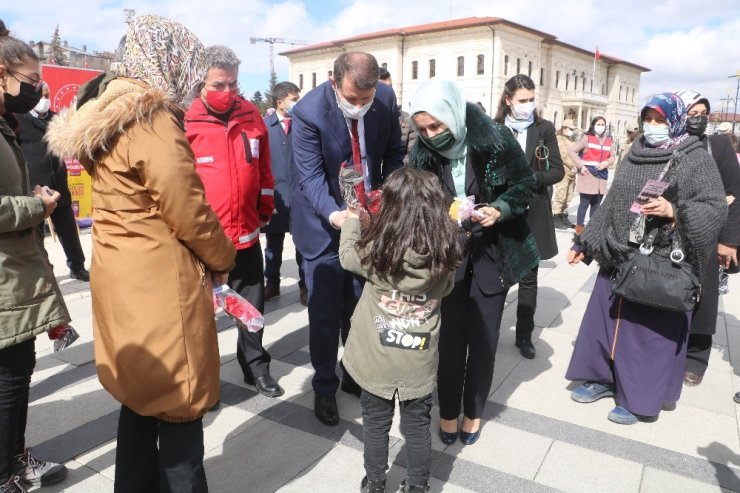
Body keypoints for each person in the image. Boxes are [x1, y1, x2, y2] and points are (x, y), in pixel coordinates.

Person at [46, 15, 236, 491]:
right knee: (178, 402)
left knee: (139, 397)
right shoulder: (149, 118)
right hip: (159, 283)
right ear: (168, 60)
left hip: (121, 271)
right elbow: (186, 207)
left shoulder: (106, 114)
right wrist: (223, 256)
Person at [566, 93, 727, 425]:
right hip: (616, 258)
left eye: (661, 120)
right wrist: (585, 242)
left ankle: (636, 396)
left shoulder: (694, 157)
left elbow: (714, 207)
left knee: (644, 336)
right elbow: (611, 203)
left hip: (658, 263)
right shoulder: (636, 151)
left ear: (676, 121)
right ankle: (600, 378)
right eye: (648, 119)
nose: (652, 127)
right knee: (605, 324)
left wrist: (673, 211)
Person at [408, 79, 539, 445]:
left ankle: (474, 412)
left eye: (437, 125)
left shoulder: (494, 139)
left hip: (492, 256)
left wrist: (499, 210)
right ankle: (448, 412)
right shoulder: (423, 154)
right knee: (448, 344)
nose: (433, 135)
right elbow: (418, 204)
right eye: (424, 129)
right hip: (448, 261)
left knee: (483, 343)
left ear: (453, 113)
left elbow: (525, 185)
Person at [291, 51, 404, 426]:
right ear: (333, 80)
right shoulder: (308, 113)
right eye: (352, 99)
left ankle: (354, 371)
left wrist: (386, 199)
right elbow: (309, 178)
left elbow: (392, 154)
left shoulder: (385, 99)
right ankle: (324, 386)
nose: (359, 106)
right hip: (324, 223)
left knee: (359, 306)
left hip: (368, 221)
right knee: (324, 312)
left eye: (365, 100)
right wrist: (337, 215)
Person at [339, 167, 459, 493]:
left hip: (374, 358)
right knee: (418, 427)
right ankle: (418, 485)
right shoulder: (444, 256)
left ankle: (376, 482)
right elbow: (446, 290)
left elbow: (348, 256)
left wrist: (352, 220)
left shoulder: (378, 252)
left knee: (376, 425)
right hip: (417, 361)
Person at [185, 45, 284, 398]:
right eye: (219, 85)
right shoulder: (185, 121)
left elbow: (265, 168)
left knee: (251, 308)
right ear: (200, 85)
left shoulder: (251, 116)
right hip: (203, 242)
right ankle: (204, 382)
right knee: (199, 318)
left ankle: (256, 367)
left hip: (247, 234)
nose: (228, 93)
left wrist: (265, 205)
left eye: (233, 85)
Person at [0, 20, 70, 493]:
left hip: (14, 272)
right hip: (5, 276)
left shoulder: (7, 123)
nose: (35, 90)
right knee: (10, 376)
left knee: (15, 372)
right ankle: (7, 474)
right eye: (29, 80)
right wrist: (35, 206)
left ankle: (14, 460)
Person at [494, 74, 564, 359]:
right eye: (523, 100)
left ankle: (524, 335)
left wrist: (530, 177)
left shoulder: (543, 128)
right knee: (496, 276)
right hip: (500, 211)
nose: (528, 105)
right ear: (508, 100)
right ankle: (488, 328)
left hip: (533, 211)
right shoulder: (494, 127)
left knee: (528, 277)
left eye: (532, 99)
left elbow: (557, 171)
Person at [675, 90, 740, 387]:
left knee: (705, 295)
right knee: (667, 289)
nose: (697, 118)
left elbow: (735, 194)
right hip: (672, 231)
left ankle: (697, 357)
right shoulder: (669, 142)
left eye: (703, 113)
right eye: (691, 112)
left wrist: (729, 242)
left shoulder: (717, 146)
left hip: (709, 236)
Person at [16, 82, 90, 282]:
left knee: (69, 231)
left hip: (58, 183)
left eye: (47, 95)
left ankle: (77, 266)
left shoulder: (56, 119)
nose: (44, 100)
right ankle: (43, 272)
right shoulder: (18, 120)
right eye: (41, 96)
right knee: (36, 234)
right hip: (34, 187)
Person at [262, 81, 307, 305]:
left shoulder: (303, 124)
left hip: (300, 195)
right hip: (276, 196)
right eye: (294, 99)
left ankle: (305, 285)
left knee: (302, 243)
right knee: (273, 244)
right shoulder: (263, 127)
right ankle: (271, 283)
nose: (298, 103)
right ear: (280, 103)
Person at [568, 116, 615, 235]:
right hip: (588, 175)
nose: (600, 127)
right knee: (584, 203)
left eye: (602, 124)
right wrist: (581, 165)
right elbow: (572, 151)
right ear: (593, 125)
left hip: (602, 176)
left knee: (596, 204)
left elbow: (613, 156)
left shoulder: (609, 140)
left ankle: (592, 229)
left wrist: (607, 162)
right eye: (598, 124)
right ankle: (579, 229)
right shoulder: (587, 138)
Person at [552, 118, 578, 229]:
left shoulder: (572, 141)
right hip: (564, 172)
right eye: (570, 129)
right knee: (561, 195)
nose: (572, 131)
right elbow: (563, 156)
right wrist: (572, 166)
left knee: (569, 196)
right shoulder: (559, 140)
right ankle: (556, 216)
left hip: (572, 173)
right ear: (564, 128)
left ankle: (563, 215)